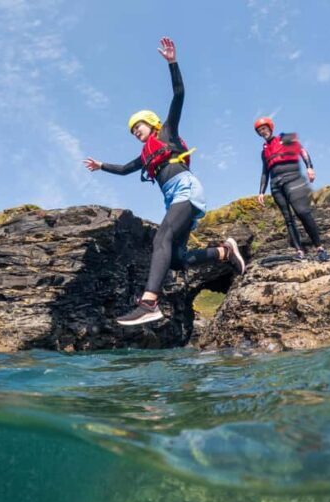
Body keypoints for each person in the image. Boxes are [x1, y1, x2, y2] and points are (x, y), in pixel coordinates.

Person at [83, 37, 245, 326]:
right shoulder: (145, 156)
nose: (136, 132)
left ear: (151, 123)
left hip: (186, 187)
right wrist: (101, 165)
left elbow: (179, 94)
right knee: (176, 259)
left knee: (162, 237)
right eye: (132, 130)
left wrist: (173, 63)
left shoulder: (167, 133)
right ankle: (224, 252)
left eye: (138, 126)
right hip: (173, 197)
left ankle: (149, 302)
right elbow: (123, 169)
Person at [254, 117, 329, 261]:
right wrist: (261, 192)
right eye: (259, 131)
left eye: (264, 129)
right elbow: (265, 172)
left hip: (291, 179)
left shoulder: (285, 138)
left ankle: (320, 248)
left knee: (303, 212)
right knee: (288, 219)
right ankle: (299, 251)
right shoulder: (264, 152)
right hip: (276, 185)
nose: (262, 132)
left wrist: (309, 167)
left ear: (270, 128)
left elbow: (302, 151)